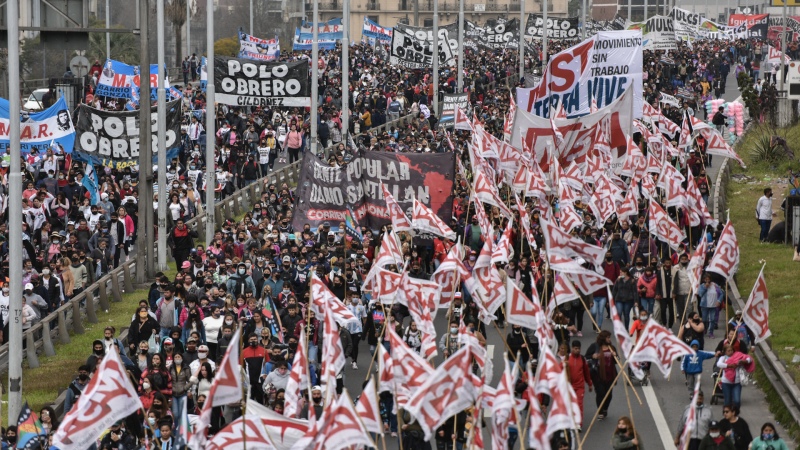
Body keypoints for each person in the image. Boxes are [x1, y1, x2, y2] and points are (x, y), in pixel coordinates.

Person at [585, 331, 616, 420]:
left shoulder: (611, 348)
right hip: (597, 374)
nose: (609, 339)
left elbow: (617, 360)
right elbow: (586, 357)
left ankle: (605, 408)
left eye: (610, 337)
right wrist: (592, 356)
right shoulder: (595, 346)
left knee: (609, 394)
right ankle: (600, 411)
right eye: (608, 337)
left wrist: (615, 356)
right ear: (603, 338)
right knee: (600, 393)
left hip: (610, 374)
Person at [716, 344, 754, 410]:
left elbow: (749, 358)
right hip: (726, 382)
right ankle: (727, 414)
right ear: (725, 352)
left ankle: (735, 413)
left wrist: (744, 361)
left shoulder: (738, 355)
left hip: (737, 382)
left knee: (737, 401)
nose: (730, 352)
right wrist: (729, 366)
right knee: (727, 401)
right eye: (728, 351)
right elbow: (719, 364)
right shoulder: (723, 358)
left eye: (731, 350)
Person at [565, 340, 592, 430]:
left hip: (580, 386)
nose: (577, 350)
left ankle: (578, 424)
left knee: (579, 404)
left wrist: (590, 383)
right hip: (569, 386)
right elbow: (560, 369)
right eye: (575, 348)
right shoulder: (567, 358)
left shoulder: (583, 359)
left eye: (579, 349)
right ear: (572, 348)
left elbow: (586, 372)